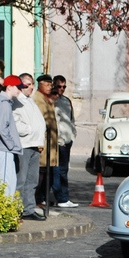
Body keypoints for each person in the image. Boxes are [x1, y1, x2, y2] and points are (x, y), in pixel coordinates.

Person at [12, 73, 46, 221]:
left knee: (32, 180)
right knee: (22, 179)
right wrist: (30, 131)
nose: (31, 87)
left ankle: (29, 208)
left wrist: (39, 138)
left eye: (32, 84)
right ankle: (17, 209)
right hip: (24, 144)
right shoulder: (17, 101)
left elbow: (37, 121)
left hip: (34, 144)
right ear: (20, 85)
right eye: (27, 84)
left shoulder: (30, 101)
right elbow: (16, 122)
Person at [0, 75, 24, 199]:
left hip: (5, 148)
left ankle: (6, 208)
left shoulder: (6, 103)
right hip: (3, 148)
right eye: (18, 87)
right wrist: (11, 145)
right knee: (4, 181)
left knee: (9, 179)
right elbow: (2, 128)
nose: (20, 90)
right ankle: (2, 210)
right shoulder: (4, 104)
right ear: (9, 87)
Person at [32, 75, 60, 208]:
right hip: (43, 142)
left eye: (50, 84)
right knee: (41, 172)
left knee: (47, 171)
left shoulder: (46, 99)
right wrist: (39, 143)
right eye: (47, 84)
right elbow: (37, 123)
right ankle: (37, 198)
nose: (50, 87)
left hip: (50, 143)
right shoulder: (38, 99)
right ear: (40, 85)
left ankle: (42, 198)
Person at [51, 75, 78, 208]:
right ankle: (61, 198)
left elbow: (71, 119)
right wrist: (59, 139)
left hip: (67, 140)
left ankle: (63, 197)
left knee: (63, 170)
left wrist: (73, 134)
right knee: (57, 171)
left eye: (64, 87)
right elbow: (54, 121)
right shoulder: (52, 101)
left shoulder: (66, 101)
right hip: (58, 141)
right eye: (59, 86)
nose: (61, 89)